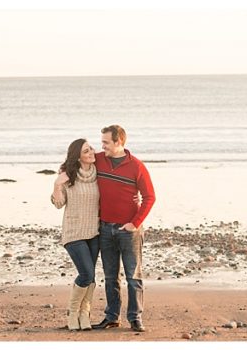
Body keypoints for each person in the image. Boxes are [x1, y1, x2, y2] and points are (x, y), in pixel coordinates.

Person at [92, 125, 156, 333]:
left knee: (133, 276)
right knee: (110, 276)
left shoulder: (136, 166)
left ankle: (135, 318)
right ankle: (112, 317)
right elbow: (77, 162)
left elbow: (149, 197)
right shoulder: (99, 160)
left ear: (119, 142)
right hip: (105, 228)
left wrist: (134, 223)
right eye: (102, 142)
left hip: (129, 231)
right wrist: (63, 172)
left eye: (106, 143)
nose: (102, 146)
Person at [51, 138, 100, 331]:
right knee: (86, 274)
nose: (91, 152)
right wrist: (57, 184)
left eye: (91, 148)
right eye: (86, 151)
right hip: (73, 233)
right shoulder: (68, 176)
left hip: (94, 231)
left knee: (92, 276)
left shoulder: (99, 173)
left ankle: (84, 314)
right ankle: (73, 312)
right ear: (78, 157)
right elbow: (58, 204)